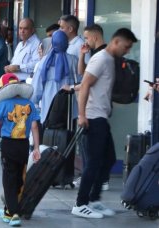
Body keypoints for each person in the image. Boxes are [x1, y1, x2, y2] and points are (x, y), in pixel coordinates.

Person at [72, 28, 137, 219]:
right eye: (126, 47)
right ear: (116, 42)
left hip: (101, 116)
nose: (126, 51)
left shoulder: (110, 60)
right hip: (93, 117)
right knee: (93, 162)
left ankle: (93, 200)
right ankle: (80, 203)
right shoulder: (101, 59)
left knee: (107, 159)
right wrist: (82, 115)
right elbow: (85, 85)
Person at [0, 73, 41, 227]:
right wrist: (37, 147)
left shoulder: (4, 105)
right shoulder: (29, 104)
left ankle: (14, 213)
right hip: (23, 145)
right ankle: (9, 210)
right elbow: (34, 126)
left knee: (9, 178)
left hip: (8, 145)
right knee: (19, 178)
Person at [74, 24, 109, 191]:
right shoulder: (95, 54)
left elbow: (86, 83)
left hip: (96, 110)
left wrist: (74, 88)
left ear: (95, 37)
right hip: (95, 109)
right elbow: (82, 73)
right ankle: (93, 193)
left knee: (96, 156)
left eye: (87, 38)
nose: (85, 41)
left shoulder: (103, 56)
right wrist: (82, 55)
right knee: (97, 154)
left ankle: (86, 199)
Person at [31, 30, 78, 124]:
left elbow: (36, 87)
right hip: (68, 104)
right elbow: (79, 81)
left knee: (49, 133)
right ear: (66, 43)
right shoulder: (73, 60)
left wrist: (34, 102)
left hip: (49, 103)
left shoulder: (44, 60)